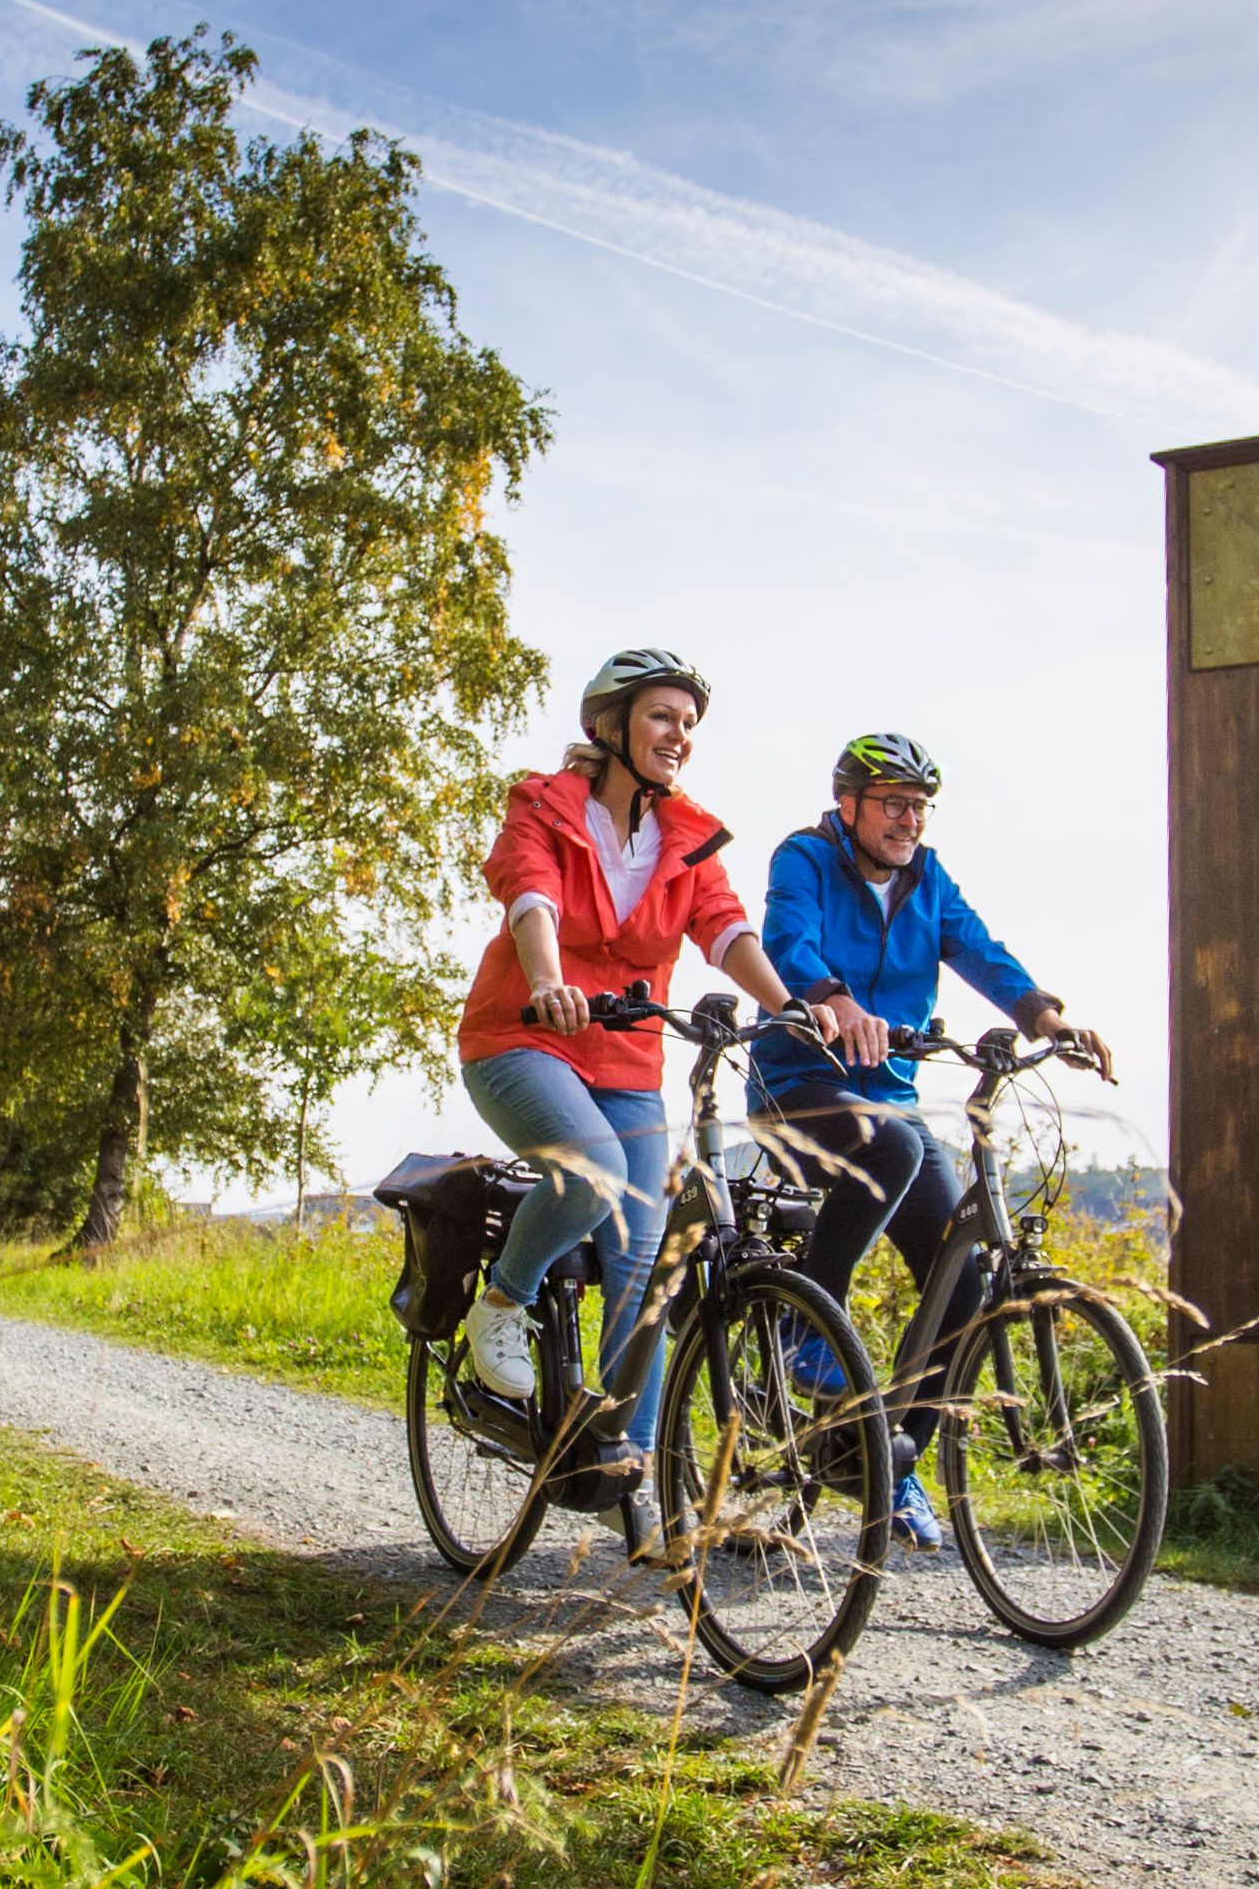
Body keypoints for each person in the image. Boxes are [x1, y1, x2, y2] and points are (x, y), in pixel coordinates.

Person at [454, 648, 811, 1511]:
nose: (678, 735)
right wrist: (548, 979)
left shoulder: (686, 835)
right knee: (594, 1171)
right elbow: (529, 895)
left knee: (646, 1267)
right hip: (523, 1037)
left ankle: (632, 1473)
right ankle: (502, 1300)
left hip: (628, 1059)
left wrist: (789, 1005)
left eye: (688, 723)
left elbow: (724, 927)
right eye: (661, 716)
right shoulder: (544, 805)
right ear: (611, 726)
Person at [747, 731, 1108, 1548]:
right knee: (897, 1145)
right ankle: (805, 1329)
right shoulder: (804, 858)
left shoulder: (926, 878)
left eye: (918, 806)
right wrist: (834, 1001)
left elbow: (979, 948)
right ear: (848, 804)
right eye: (892, 803)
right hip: (797, 1088)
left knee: (963, 1280)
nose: (908, 820)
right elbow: (787, 941)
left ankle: (892, 1455)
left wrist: (1047, 1019)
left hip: (891, 1100)